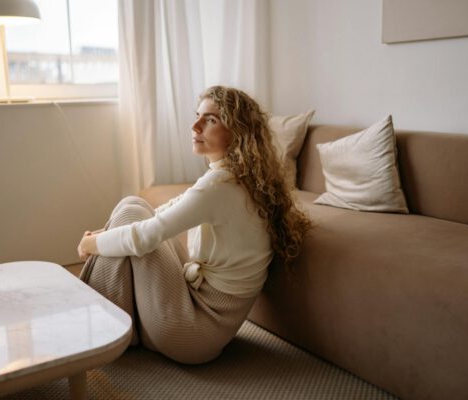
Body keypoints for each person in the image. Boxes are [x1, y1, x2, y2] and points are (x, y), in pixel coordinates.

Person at [77, 85, 311, 364]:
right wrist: (104, 235)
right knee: (134, 207)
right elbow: (163, 212)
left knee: (130, 214)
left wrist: (89, 244)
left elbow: (145, 236)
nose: (195, 125)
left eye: (210, 120)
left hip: (191, 333)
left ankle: (100, 327)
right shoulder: (240, 178)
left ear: (239, 132)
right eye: (198, 116)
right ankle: (113, 324)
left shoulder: (220, 187)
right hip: (203, 327)